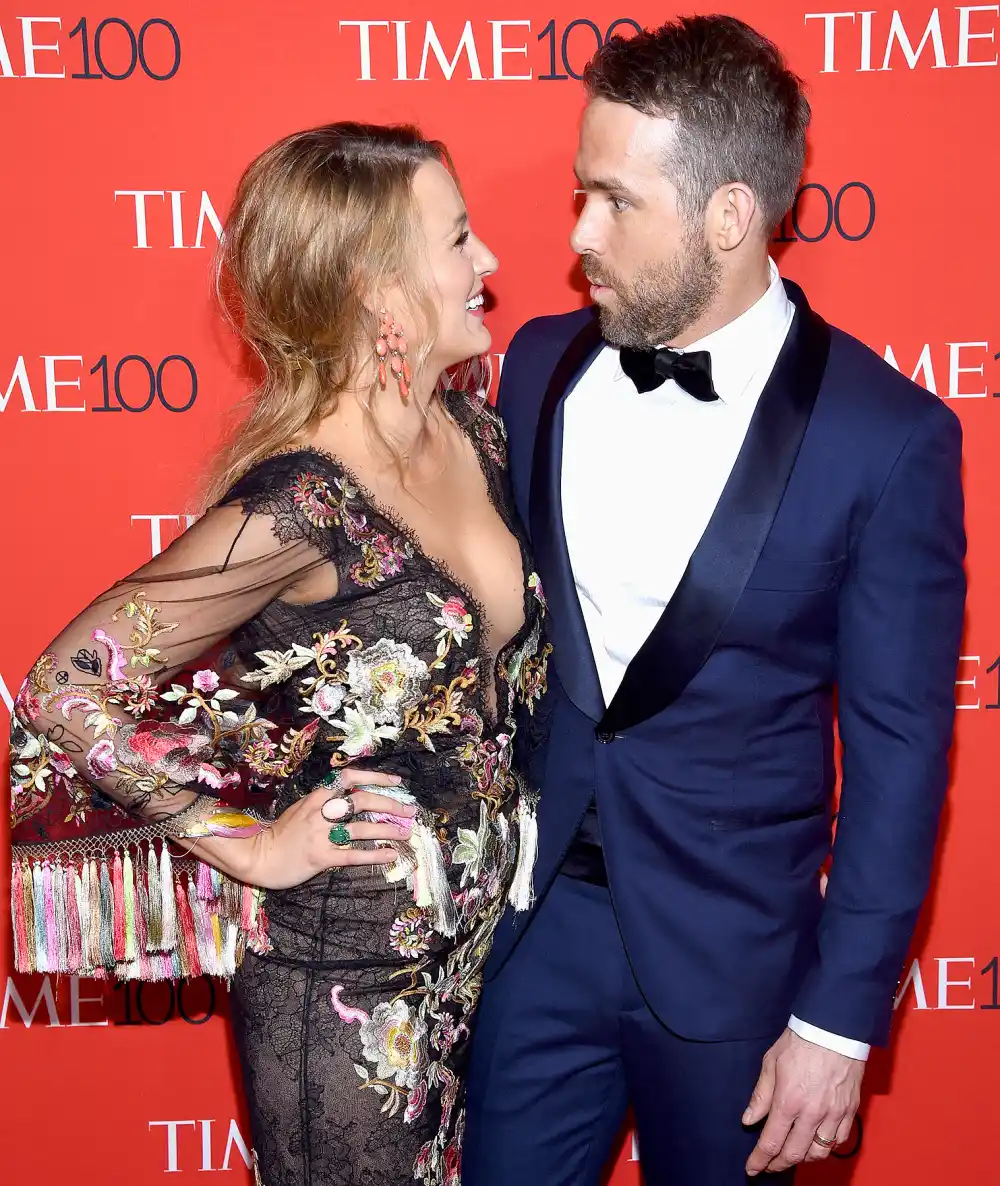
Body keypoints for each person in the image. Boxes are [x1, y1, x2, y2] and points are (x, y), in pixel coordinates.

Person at [463, 16, 965, 1186]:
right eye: (579, 193)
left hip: (741, 975)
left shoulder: (884, 440)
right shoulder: (541, 366)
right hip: (533, 945)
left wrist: (837, 1026)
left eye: (613, 202)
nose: (577, 234)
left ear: (728, 217)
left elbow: (899, 755)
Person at [8, 123, 551, 1186]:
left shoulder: (473, 436)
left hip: (478, 970)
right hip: (340, 988)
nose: (487, 264)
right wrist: (249, 848)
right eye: (458, 239)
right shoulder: (303, 506)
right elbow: (65, 688)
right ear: (377, 288)